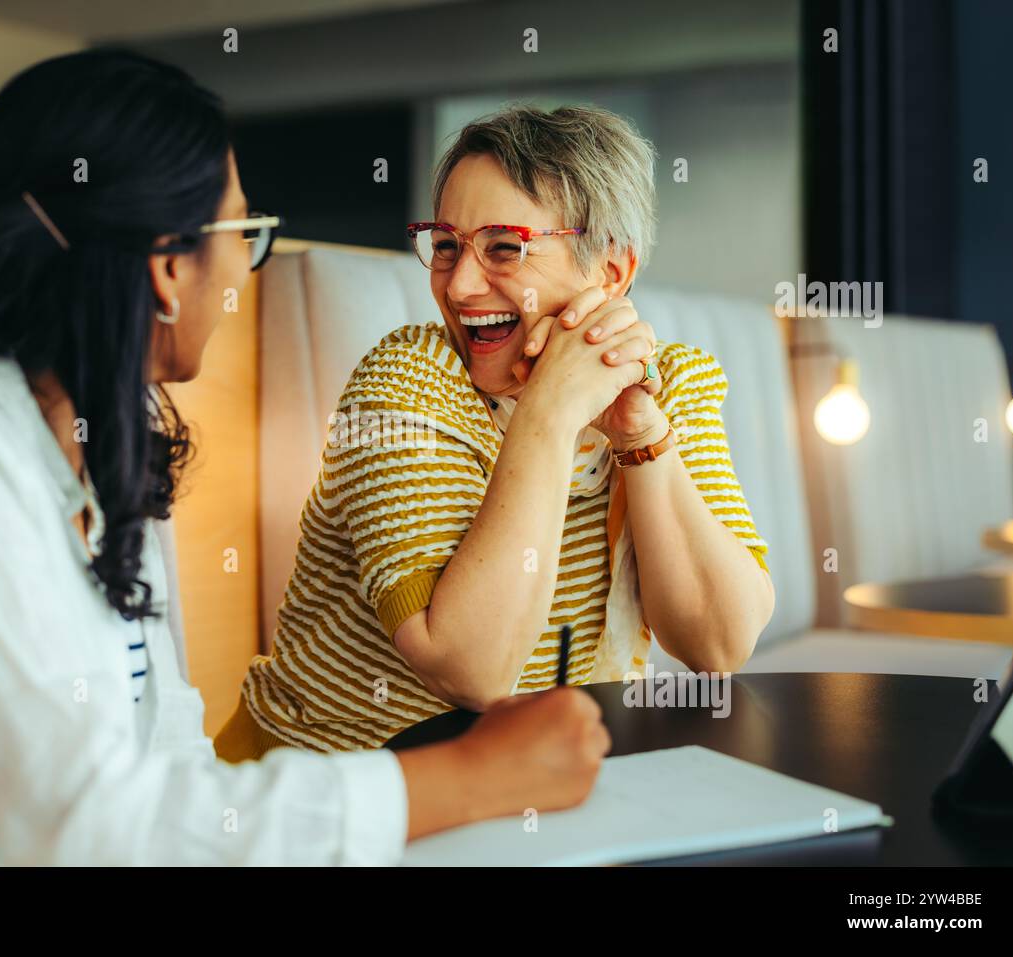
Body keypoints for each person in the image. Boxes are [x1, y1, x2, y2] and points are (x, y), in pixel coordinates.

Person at [0, 52, 608, 865]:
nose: (245, 269)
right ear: (165, 267)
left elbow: (171, 750)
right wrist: (471, 777)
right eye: (241, 233)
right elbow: (93, 825)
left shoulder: (106, 452)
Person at [217, 105, 773, 760]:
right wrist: (549, 411)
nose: (460, 283)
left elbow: (720, 644)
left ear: (612, 272)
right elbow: (469, 669)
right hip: (323, 794)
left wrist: (642, 437)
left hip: (525, 782)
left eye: (504, 247)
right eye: (446, 245)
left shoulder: (670, 384)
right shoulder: (407, 384)